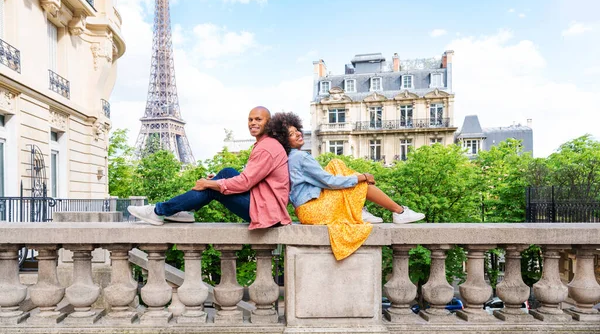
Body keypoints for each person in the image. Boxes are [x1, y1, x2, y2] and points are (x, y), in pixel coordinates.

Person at [267, 112, 425, 260]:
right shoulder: (300, 157)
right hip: (314, 210)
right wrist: (360, 177)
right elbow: (328, 181)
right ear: (284, 140)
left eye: (297, 130)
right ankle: (399, 211)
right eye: (291, 134)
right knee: (352, 178)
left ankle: (359, 210)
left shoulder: (289, 158)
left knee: (337, 166)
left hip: (305, 211)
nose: (298, 134)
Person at [128, 106, 292, 230]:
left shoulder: (266, 148)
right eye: (250, 120)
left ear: (269, 123)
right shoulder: (267, 145)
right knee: (225, 173)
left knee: (214, 187)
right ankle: (183, 209)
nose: (253, 123)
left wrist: (210, 184)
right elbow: (250, 179)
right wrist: (216, 182)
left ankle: (159, 211)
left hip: (267, 212)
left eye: (258, 119)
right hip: (265, 205)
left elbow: (245, 183)